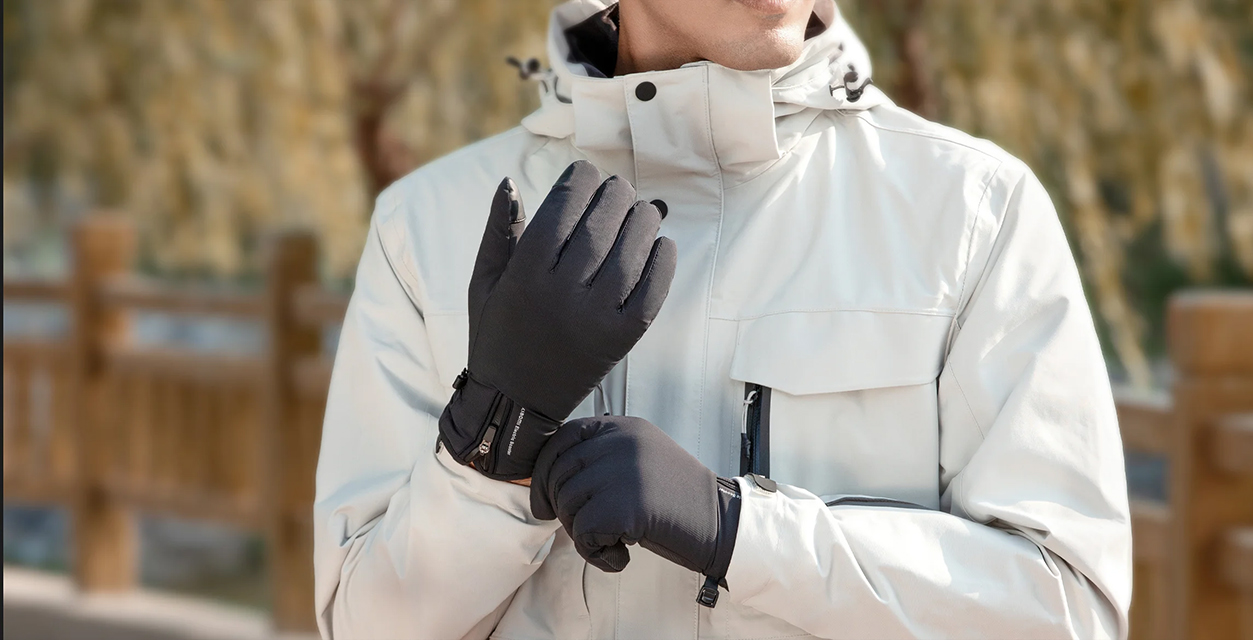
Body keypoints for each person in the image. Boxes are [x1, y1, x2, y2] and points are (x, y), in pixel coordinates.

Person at [313, 0, 1133, 638]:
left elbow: (1067, 613)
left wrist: (737, 530)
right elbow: (364, 626)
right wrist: (490, 448)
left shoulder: (973, 212)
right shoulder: (428, 226)